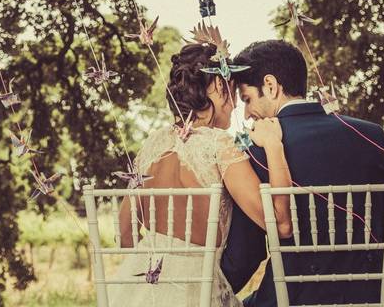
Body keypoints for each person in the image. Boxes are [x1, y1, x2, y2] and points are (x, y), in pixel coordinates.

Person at [221, 40, 384, 307]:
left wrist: (213, 288)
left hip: (294, 299)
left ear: (271, 86)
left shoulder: (257, 151)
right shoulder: (372, 136)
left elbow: (246, 254)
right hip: (376, 296)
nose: (247, 113)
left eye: (247, 99)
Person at [106, 42, 294, 306]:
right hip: (198, 292)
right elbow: (279, 224)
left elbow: (125, 235)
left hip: (139, 289)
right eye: (233, 95)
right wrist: (274, 146)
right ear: (218, 87)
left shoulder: (153, 144)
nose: (235, 107)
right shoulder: (219, 145)